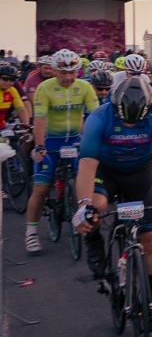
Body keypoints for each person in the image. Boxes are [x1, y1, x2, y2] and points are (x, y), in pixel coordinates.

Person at [71, 75, 152, 333]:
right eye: (123, 119)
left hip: (140, 174)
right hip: (106, 172)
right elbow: (86, 166)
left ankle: (147, 301)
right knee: (97, 207)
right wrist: (83, 206)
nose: (128, 123)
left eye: (134, 120)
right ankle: (94, 244)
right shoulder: (99, 118)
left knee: (148, 238)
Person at [26, 50, 100, 253]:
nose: (68, 78)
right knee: (41, 188)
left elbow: (95, 116)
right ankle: (31, 232)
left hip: (75, 141)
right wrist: (39, 146)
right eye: (62, 73)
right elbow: (39, 119)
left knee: (83, 184)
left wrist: (97, 142)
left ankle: (81, 219)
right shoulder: (44, 88)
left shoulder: (85, 86)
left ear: (78, 70)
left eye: (72, 73)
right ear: (55, 71)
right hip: (50, 142)